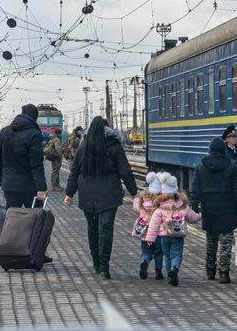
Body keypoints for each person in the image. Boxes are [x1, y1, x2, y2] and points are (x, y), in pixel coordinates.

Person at [63, 117, 138, 279]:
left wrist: (69, 193)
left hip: (87, 192)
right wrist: (134, 194)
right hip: (109, 192)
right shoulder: (114, 146)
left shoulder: (84, 147)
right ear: (108, 130)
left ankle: (96, 262)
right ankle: (104, 266)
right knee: (106, 227)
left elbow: (74, 172)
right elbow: (125, 172)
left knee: (92, 227)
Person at [0, 104, 50, 255]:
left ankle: (5, 251)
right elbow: (36, 164)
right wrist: (42, 187)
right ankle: (35, 253)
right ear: (34, 117)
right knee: (35, 221)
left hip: (9, 186)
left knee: (10, 221)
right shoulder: (34, 134)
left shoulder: (5, 132)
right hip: (30, 187)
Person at [191, 137, 237, 284]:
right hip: (227, 209)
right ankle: (224, 273)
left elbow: (195, 191)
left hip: (209, 209)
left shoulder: (200, 167)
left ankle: (210, 270)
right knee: (226, 242)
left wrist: (194, 208)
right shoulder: (232, 167)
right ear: (223, 150)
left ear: (209, 150)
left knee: (211, 240)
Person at [148, 172, 199, 287]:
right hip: (178, 235)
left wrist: (150, 239)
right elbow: (193, 217)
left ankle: (170, 276)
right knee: (176, 254)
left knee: (167, 256)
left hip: (164, 236)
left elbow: (153, 225)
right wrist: (199, 216)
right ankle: (175, 269)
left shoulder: (160, 208)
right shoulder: (183, 206)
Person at [131, 172, 165, 280]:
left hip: (145, 232)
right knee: (159, 252)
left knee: (146, 251)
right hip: (158, 233)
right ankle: (158, 271)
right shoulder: (162, 202)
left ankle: (144, 262)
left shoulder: (143, 201)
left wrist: (136, 198)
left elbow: (136, 207)